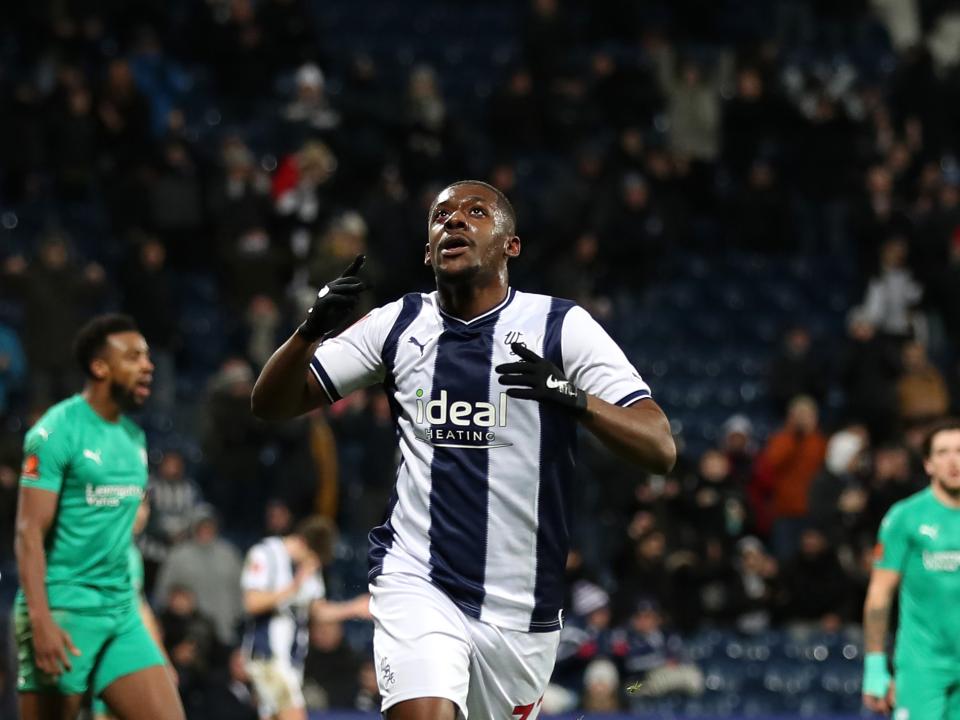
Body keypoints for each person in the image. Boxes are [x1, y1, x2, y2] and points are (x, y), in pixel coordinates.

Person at [251, 179, 676, 719]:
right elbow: (271, 403)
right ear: (428, 252)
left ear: (510, 245)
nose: (453, 220)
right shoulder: (399, 323)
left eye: (476, 212)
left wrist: (570, 397)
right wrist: (308, 331)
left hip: (522, 611)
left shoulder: (559, 325)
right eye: (441, 215)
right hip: (418, 579)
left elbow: (659, 446)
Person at [13, 313, 184, 720]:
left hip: (120, 613)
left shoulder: (134, 437)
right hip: (65, 610)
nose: (148, 365)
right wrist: (40, 621)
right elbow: (28, 533)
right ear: (100, 367)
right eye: (134, 357)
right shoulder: (55, 431)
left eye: (148, 356)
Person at [862, 419, 960, 717]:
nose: (953, 460)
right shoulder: (905, 517)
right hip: (922, 667)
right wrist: (875, 666)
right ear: (928, 464)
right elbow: (879, 595)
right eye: (943, 452)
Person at [240, 515, 370, 720]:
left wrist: (353, 608)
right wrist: (294, 586)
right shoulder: (265, 554)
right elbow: (251, 602)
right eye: (313, 559)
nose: (315, 566)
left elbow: (318, 611)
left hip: (292, 662)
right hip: (268, 657)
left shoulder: (309, 567)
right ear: (302, 542)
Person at [93, 497, 176, 719]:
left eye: (146, 506)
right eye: (138, 505)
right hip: (103, 654)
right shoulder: (102, 550)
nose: (143, 513)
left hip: (123, 654)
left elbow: (140, 607)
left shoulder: (132, 554)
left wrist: (162, 660)